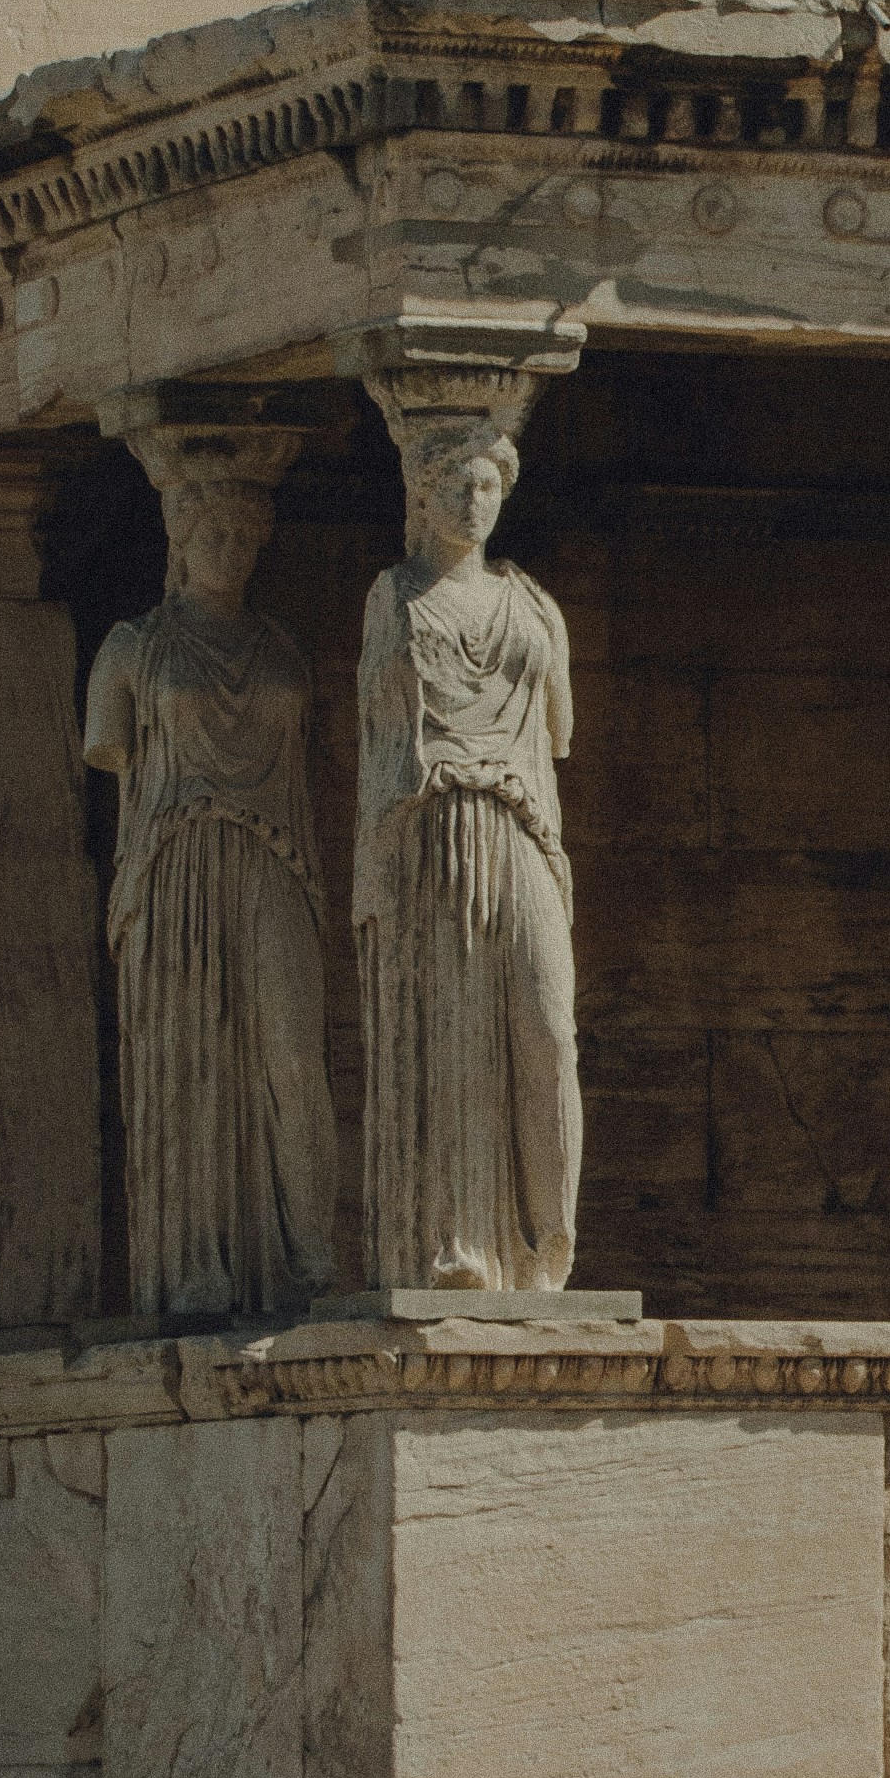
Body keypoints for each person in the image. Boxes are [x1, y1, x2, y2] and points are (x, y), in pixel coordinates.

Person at [81, 445, 341, 1324]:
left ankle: (311, 1256)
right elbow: (109, 748)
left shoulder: (282, 648)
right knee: (187, 1058)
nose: (231, 547)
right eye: (212, 531)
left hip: (275, 859)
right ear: (179, 539)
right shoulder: (130, 651)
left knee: (292, 1053)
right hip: (173, 865)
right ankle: (195, 1265)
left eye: (244, 533)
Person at [359, 393, 582, 1295]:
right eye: (455, 482)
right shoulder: (394, 597)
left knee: (546, 1029)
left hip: (523, 824)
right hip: (433, 825)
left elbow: (557, 732)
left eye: (488, 482)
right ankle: (456, 1247)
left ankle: (548, 1247)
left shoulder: (535, 604)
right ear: (422, 494)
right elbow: (379, 744)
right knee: (448, 1032)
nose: (474, 500)